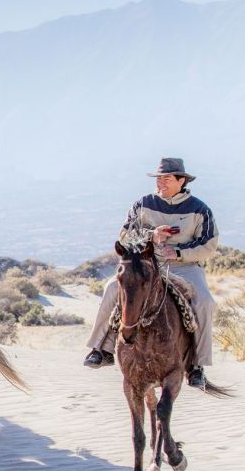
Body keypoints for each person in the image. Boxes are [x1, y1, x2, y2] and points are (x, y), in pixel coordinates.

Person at [83, 157, 218, 388]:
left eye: (166, 179)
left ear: (181, 180)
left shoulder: (200, 209)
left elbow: (208, 246)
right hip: (148, 265)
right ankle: (101, 349)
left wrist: (176, 253)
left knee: (205, 301)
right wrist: (151, 236)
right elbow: (124, 236)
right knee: (112, 289)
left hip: (184, 267)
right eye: (158, 179)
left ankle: (197, 365)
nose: (160, 184)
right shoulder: (142, 204)